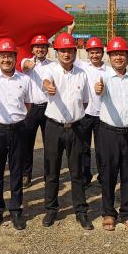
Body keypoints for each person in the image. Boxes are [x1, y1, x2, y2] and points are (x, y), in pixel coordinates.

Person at [0, 38, 33, 231]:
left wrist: (18, 119)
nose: (6, 60)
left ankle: (16, 210)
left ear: (15, 58)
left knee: (17, 171)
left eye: (9, 56)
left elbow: (28, 104)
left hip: (18, 129)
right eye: (2, 56)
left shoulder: (24, 80)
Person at [41, 32, 93, 230]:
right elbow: (46, 82)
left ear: (75, 52)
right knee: (52, 170)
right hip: (54, 127)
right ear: (57, 52)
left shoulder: (82, 74)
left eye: (69, 50)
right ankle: (51, 209)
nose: (66, 54)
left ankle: (81, 211)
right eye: (62, 50)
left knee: (77, 172)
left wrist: (75, 115)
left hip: (76, 128)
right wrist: (48, 87)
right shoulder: (51, 71)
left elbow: (85, 101)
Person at [95, 36, 128, 232]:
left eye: (122, 54)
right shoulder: (103, 78)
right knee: (108, 173)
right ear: (109, 57)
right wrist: (99, 90)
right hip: (109, 133)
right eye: (114, 54)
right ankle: (108, 213)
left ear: (127, 57)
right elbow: (98, 92)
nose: (118, 57)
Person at [20, 34, 52, 188]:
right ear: (32, 49)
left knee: (50, 144)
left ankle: (49, 175)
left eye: (43, 46)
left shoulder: (52, 65)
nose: (40, 49)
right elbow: (24, 65)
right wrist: (29, 63)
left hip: (48, 108)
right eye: (37, 47)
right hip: (31, 108)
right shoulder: (26, 62)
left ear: (47, 49)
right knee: (27, 143)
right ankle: (26, 174)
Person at [76, 36, 108, 187]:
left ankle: (103, 177)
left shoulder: (108, 70)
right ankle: (85, 177)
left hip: (103, 115)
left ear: (103, 52)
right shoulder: (82, 66)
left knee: (102, 149)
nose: (94, 55)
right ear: (87, 53)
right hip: (85, 114)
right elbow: (69, 53)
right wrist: (70, 32)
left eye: (97, 52)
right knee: (84, 148)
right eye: (91, 52)